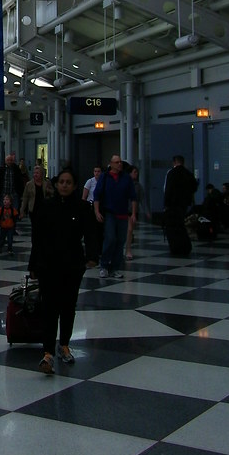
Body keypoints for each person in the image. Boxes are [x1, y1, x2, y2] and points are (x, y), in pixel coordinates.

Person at [28, 168, 87, 374]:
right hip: (48, 265)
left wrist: (92, 257)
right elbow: (38, 237)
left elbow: (91, 234)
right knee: (49, 307)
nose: (64, 185)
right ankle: (47, 351)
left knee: (68, 306)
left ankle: (64, 344)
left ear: (75, 186)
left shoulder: (81, 208)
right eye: (61, 181)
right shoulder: (46, 207)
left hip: (72, 265)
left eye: (68, 182)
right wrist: (33, 264)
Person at [93, 155, 137, 279]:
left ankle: (115, 267)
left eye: (120, 162)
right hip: (110, 213)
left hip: (123, 213)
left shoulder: (126, 178)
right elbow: (97, 195)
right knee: (110, 238)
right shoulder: (105, 177)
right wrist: (96, 212)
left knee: (120, 241)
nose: (119, 164)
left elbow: (133, 197)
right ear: (111, 164)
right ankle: (104, 265)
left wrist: (133, 213)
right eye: (116, 162)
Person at [81, 165, 103, 267]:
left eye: (98, 171)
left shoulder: (103, 182)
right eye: (95, 171)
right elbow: (84, 197)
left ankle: (99, 251)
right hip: (90, 208)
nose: (97, 173)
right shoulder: (90, 182)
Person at [164, 155, 198, 219]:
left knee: (174, 218)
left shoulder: (171, 173)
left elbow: (168, 189)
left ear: (175, 162)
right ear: (183, 162)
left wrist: (166, 203)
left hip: (173, 201)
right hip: (184, 201)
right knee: (182, 217)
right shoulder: (188, 173)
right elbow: (194, 187)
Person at [126, 165, 148, 259]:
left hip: (132, 210)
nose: (136, 174)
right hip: (124, 209)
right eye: (134, 172)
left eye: (136, 172)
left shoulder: (138, 186)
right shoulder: (125, 184)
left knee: (130, 230)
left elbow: (142, 199)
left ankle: (128, 249)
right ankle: (127, 249)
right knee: (129, 230)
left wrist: (146, 210)